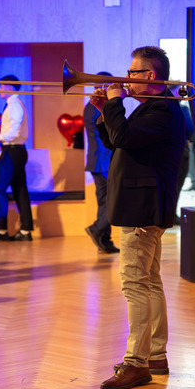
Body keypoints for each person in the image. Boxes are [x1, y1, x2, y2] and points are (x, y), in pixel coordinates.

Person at [90, 46, 186, 389]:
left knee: (134, 285)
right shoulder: (155, 108)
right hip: (143, 205)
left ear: (149, 75)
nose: (125, 77)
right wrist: (104, 111)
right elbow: (117, 142)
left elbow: (123, 136)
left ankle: (136, 363)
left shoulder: (163, 110)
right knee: (149, 282)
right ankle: (155, 355)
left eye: (132, 72)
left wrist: (115, 103)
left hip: (142, 208)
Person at [0, 75, 33, 242]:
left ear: (9, 87)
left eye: (1, 86)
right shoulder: (14, 104)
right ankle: (25, 231)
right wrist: (1, 153)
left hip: (12, 151)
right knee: (20, 190)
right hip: (14, 151)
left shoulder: (15, 105)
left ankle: (1, 230)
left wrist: (0, 138)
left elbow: (14, 128)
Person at [84, 72, 119, 254]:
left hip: (98, 160)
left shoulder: (89, 106)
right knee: (114, 201)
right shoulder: (97, 107)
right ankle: (97, 229)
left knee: (105, 202)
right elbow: (111, 132)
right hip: (102, 160)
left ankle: (104, 241)